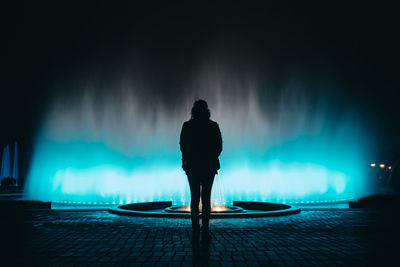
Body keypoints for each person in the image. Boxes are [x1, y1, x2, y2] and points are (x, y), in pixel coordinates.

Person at [179, 99, 223, 242]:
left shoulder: (187, 126)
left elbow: (183, 146)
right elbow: (219, 147)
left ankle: (196, 230)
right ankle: (205, 229)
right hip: (209, 166)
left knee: (194, 198)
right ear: (207, 111)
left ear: (193, 111)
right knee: (206, 199)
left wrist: (188, 159)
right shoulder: (213, 126)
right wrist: (209, 156)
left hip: (192, 167)